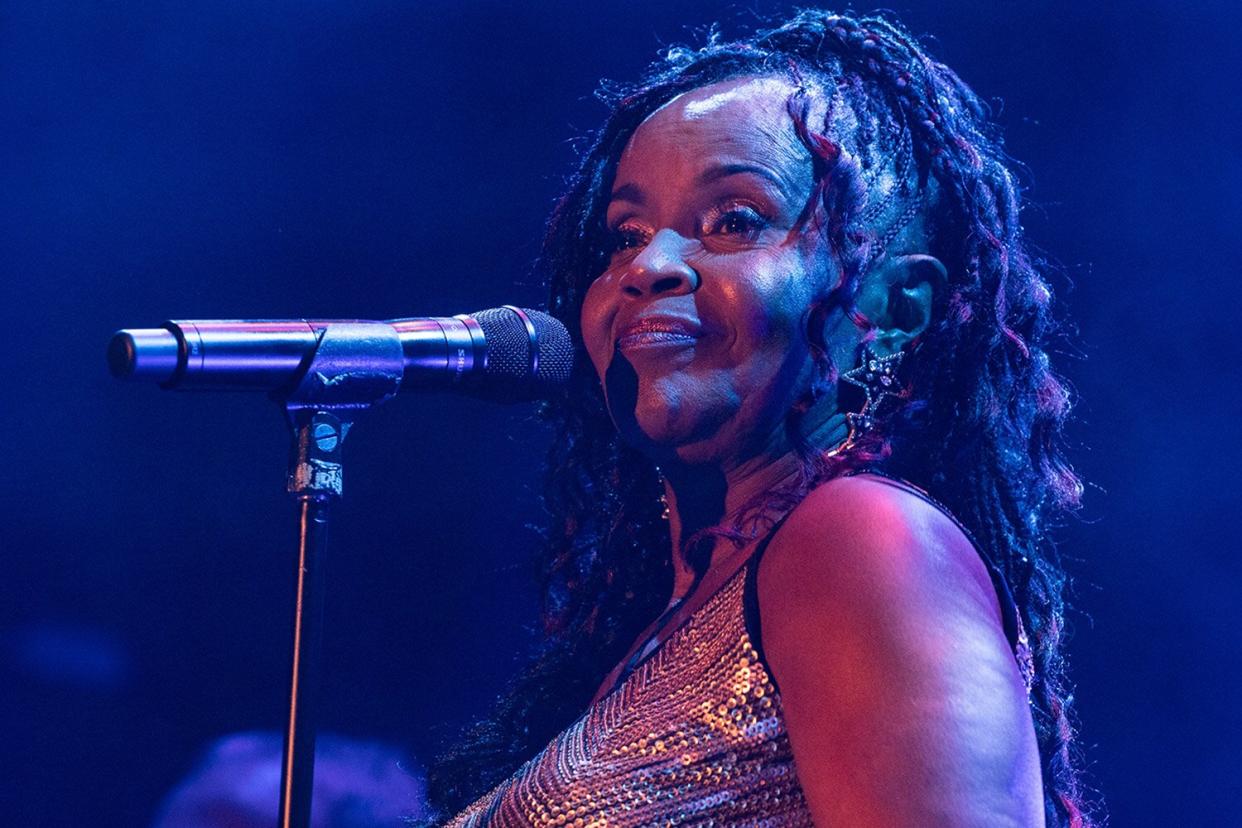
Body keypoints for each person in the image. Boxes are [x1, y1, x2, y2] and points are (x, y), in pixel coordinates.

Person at [430, 10, 1091, 827]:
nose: (650, 266)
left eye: (733, 220)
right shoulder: (657, 627)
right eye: (625, 234)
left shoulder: (862, 543)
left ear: (892, 307)